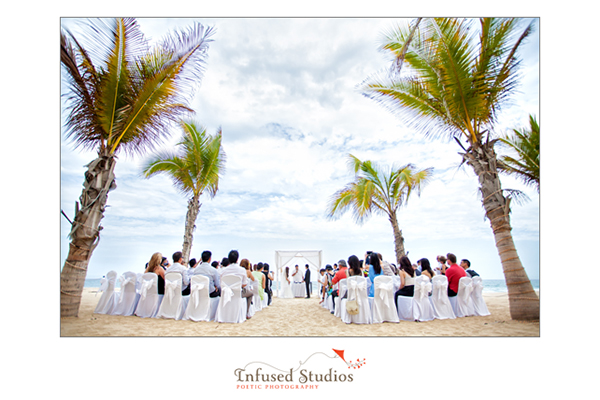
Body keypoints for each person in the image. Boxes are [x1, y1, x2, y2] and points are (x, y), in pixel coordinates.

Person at [221, 251, 255, 318]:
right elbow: (244, 284)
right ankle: (247, 313)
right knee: (251, 294)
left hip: (225, 292)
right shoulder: (242, 270)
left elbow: (221, 283)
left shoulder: (223, 270)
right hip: (238, 292)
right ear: (237, 259)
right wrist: (236, 285)